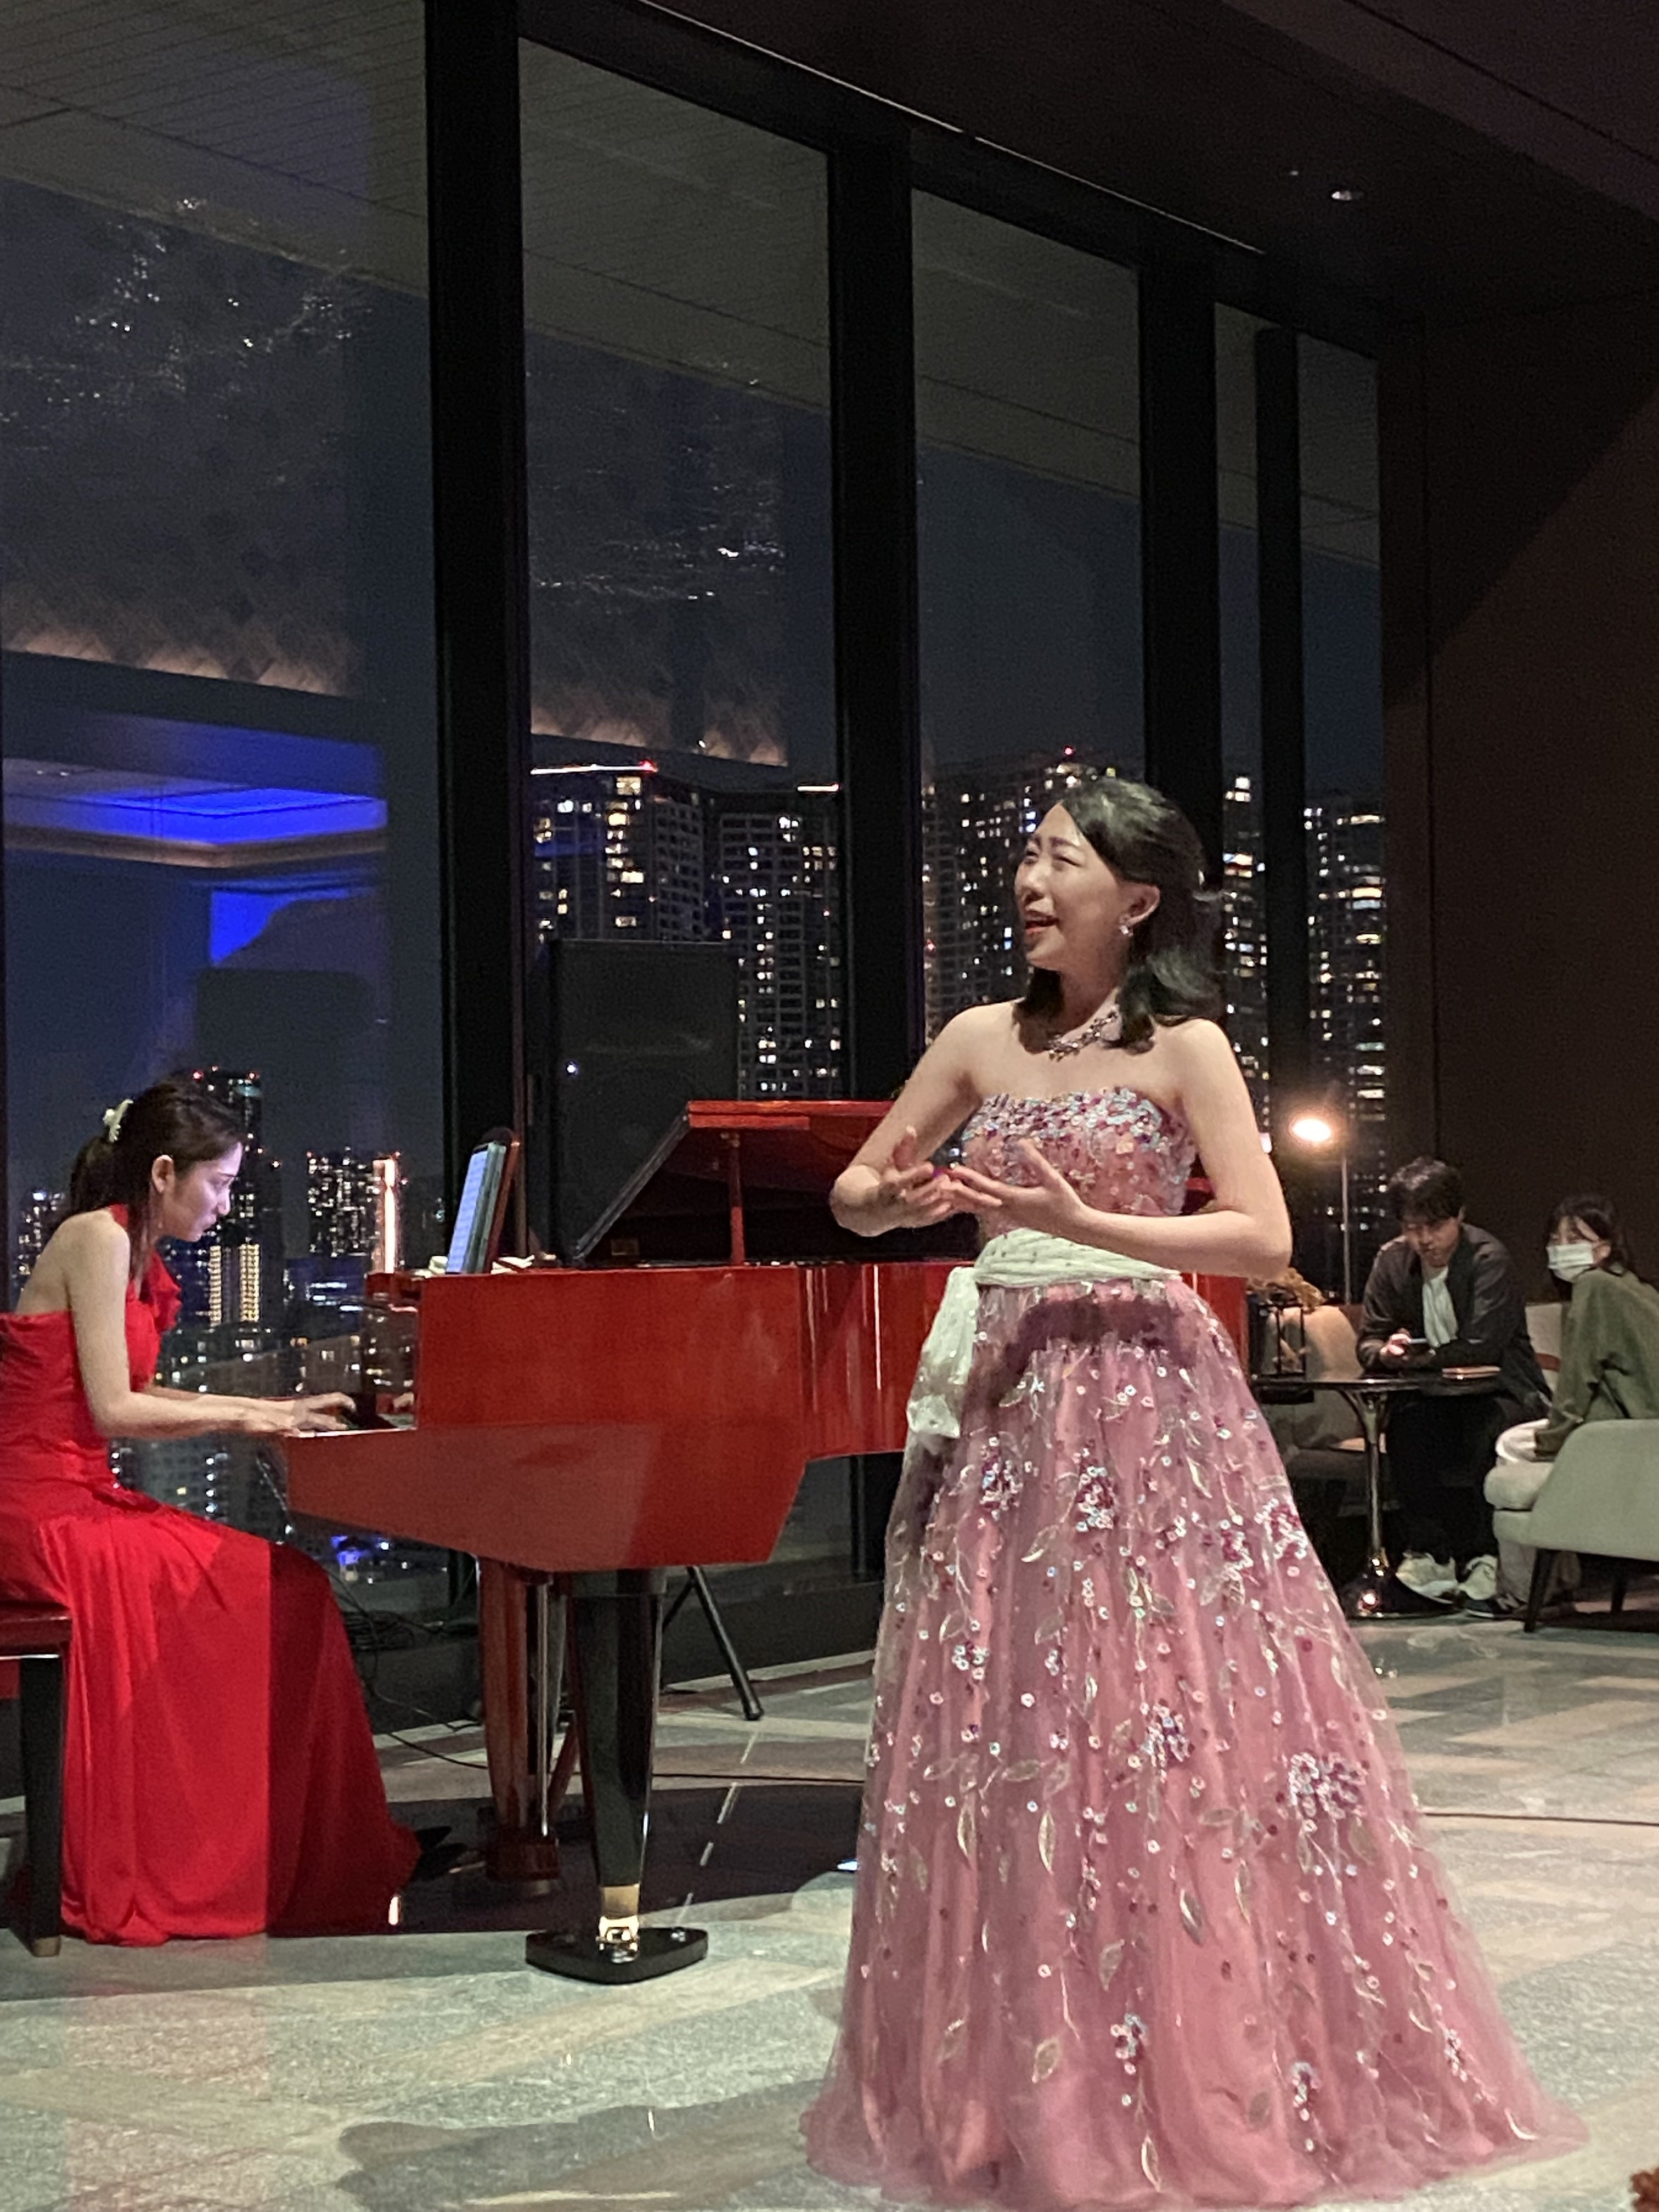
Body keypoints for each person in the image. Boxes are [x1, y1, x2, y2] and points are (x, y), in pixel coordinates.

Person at [802, 777, 1580, 2209]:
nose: (1032, 882)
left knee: (1160, 1717)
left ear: (1139, 897)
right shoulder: (976, 1038)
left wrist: (1085, 1221)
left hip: (1149, 1405)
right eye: (1030, 858)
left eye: (1062, 860)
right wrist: (898, 1198)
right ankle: (1020, 2074)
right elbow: (852, 1194)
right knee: (1019, 1725)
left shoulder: (1189, 1046)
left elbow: (1261, 1235)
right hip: (1013, 1406)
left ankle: (1189, 2060)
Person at [0, 1076, 418, 1945]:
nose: (227, 1203)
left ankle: (256, 1849)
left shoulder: (133, 1249)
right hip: (42, 1514)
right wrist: (252, 1418)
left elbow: (138, 1392)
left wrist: (272, 1410)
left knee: (291, 1588)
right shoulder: (95, 1237)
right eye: (219, 1183)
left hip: (78, 1498)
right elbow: (116, 1408)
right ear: (163, 1172)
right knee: (284, 1592)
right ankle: (224, 1858)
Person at [1356, 1159, 1548, 1607]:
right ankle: (1429, 1554)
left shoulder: (1488, 1258)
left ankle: (1485, 1556)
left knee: (1487, 1429)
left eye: (1436, 1226)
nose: (1425, 1240)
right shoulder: (1392, 1261)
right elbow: (1369, 1339)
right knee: (1406, 1428)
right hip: (1429, 1393)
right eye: (1413, 1228)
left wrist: (1414, 1360)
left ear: (1459, 1215)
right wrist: (1386, 1353)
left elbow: (1482, 1345)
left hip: (1500, 1389)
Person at [1485, 1195, 1659, 1613]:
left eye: (1575, 1238)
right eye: (1555, 1238)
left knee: (1510, 1445)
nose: (1561, 1248)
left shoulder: (1595, 1287)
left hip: (1621, 1433)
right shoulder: (1639, 1289)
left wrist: (1554, 1438)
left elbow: (1579, 1379)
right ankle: (1557, 1581)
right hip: (1644, 1432)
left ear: (1605, 1246)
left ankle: (1525, 1591)